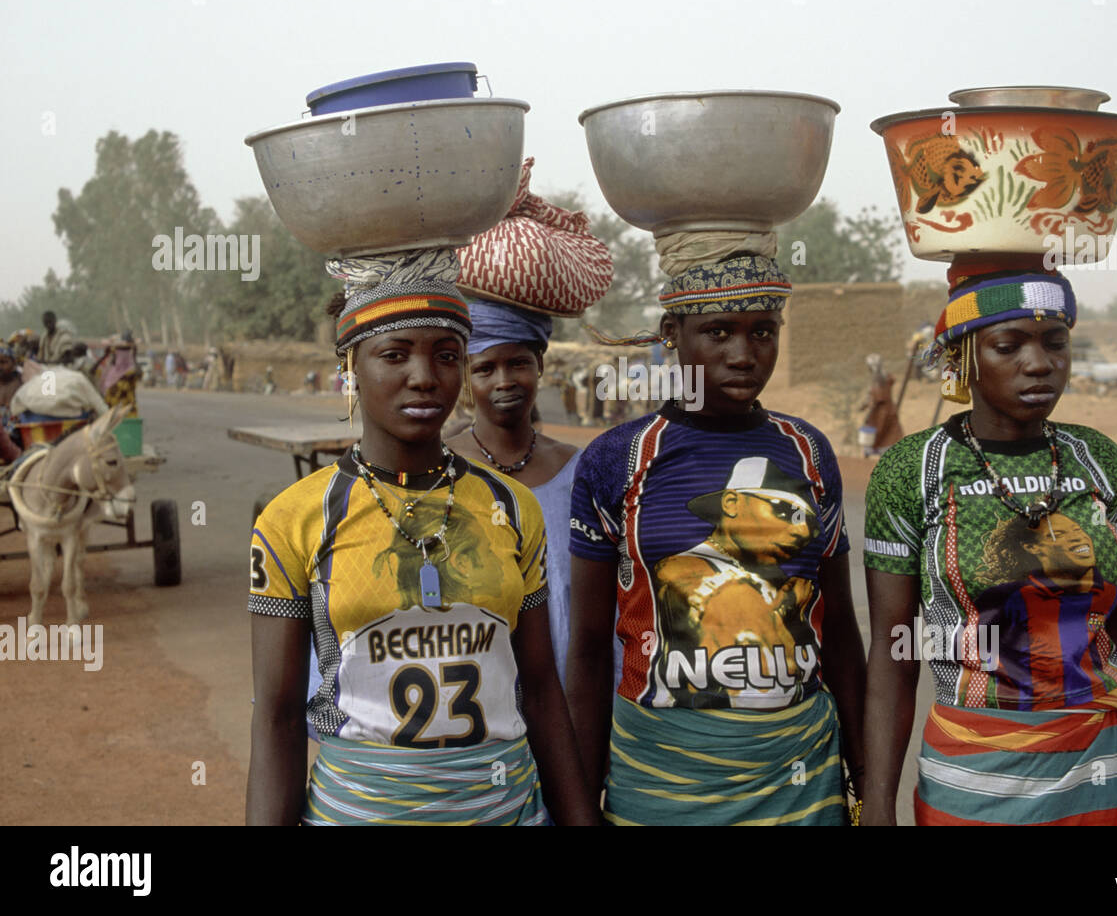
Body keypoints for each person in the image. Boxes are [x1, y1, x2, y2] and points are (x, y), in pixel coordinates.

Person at [245, 255, 595, 826]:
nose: (425, 375)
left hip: (503, 810)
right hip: (358, 812)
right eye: (395, 354)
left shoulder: (509, 506)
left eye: (447, 355)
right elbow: (279, 719)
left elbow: (540, 688)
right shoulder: (296, 519)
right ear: (350, 367)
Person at [861, 269, 1117, 826]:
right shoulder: (913, 470)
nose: (1040, 363)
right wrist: (877, 804)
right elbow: (892, 648)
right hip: (975, 770)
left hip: (1105, 767)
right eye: (1008, 345)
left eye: (1055, 343)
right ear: (962, 360)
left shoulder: (1098, 458)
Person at [567, 253, 867, 826]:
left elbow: (843, 635)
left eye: (763, 332)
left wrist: (869, 784)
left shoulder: (808, 449)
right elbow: (586, 649)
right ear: (671, 335)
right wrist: (582, 805)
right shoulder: (616, 459)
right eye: (718, 332)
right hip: (661, 776)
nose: (743, 354)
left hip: (800, 778)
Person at [446, 300, 609, 691]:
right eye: (485, 368)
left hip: (572, 687)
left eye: (518, 363)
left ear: (540, 364)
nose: (504, 381)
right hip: (477, 695)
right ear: (466, 377)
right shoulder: (442, 470)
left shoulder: (580, 471)